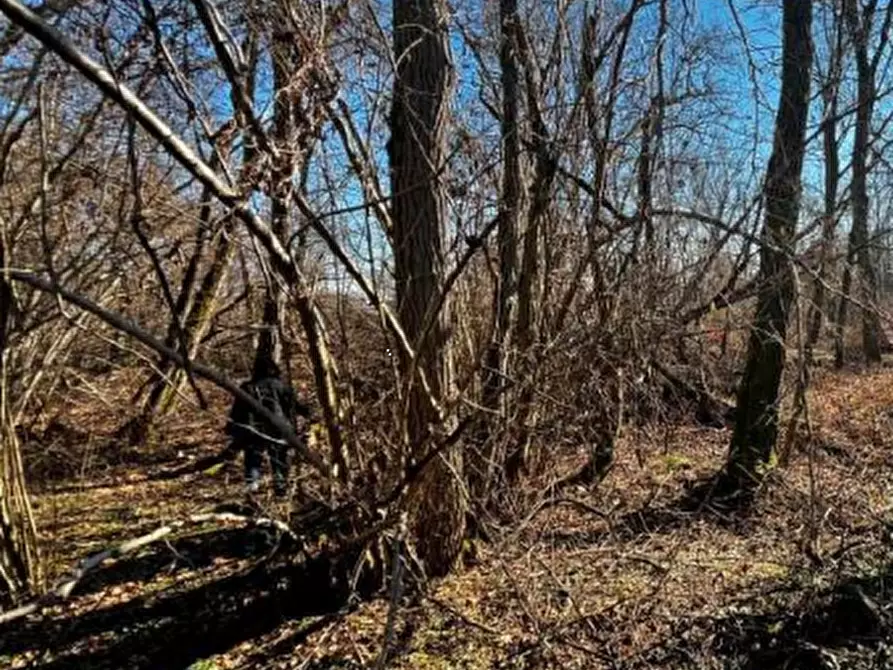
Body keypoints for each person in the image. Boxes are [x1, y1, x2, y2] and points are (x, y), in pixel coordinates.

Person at [225, 359, 311, 498]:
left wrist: (232, 427)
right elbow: (293, 406)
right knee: (279, 460)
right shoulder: (281, 386)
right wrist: (308, 413)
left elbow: (238, 410)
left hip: (254, 429)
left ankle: (252, 488)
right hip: (278, 428)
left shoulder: (247, 387)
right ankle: (280, 489)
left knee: (253, 459)